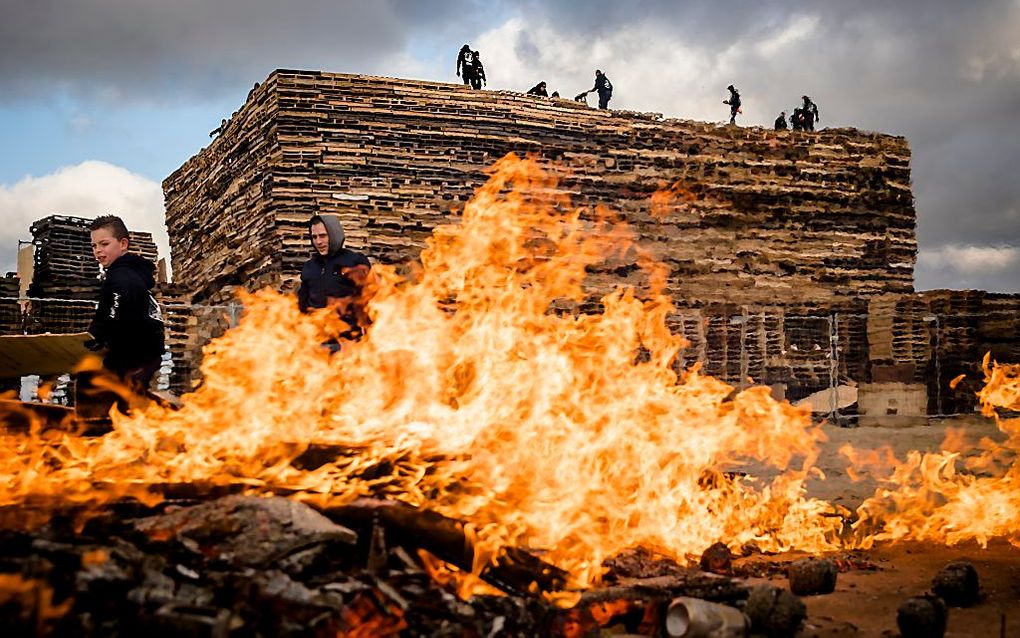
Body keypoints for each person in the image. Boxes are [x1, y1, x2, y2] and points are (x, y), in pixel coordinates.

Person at [86, 215, 165, 393]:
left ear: (123, 244)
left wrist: (95, 336)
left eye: (104, 244)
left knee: (122, 408)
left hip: (132, 359)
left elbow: (113, 315)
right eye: (94, 246)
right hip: (147, 355)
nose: (98, 250)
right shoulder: (131, 273)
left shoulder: (121, 277)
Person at [297, 214, 372, 343]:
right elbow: (302, 306)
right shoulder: (309, 267)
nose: (318, 242)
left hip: (348, 341)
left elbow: (370, 299)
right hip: (316, 341)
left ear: (334, 234)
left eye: (323, 236)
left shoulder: (354, 261)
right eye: (314, 237)